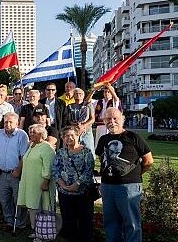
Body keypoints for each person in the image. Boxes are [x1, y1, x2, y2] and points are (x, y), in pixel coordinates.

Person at [95, 107, 153, 242]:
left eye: (115, 118)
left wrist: (135, 174)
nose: (112, 121)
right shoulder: (103, 139)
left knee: (132, 223)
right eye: (108, 119)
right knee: (111, 223)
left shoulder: (133, 137)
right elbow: (101, 159)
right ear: (104, 121)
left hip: (128, 187)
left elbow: (148, 161)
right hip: (108, 187)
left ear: (122, 119)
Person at [52, 126, 95, 242]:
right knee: (68, 219)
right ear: (62, 138)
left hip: (82, 193)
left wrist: (77, 184)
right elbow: (55, 170)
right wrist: (61, 184)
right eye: (66, 136)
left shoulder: (86, 152)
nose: (69, 138)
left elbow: (89, 170)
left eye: (72, 135)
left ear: (78, 136)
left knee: (84, 220)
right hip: (64, 192)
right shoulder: (60, 152)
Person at [0, 112, 29, 230]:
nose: (7, 124)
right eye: (6, 121)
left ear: (17, 123)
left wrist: (18, 170)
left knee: (18, 199)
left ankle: (20, 222)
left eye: (10, 122)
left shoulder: (22, 135)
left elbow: (24, 156)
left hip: (15, 173)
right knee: (4, 199)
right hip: (2, 173)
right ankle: (9, 221)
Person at [16, 124, 56, 233]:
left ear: (41, 134)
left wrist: (46, 181)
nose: (31, 134)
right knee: (33, 208)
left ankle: (44, 232)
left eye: (34, 132)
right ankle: (35, 230)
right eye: (30, 132)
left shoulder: (47, 147)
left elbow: (48, 166)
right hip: (29, 182)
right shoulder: (31, 145)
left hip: (41, 183)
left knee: (42, 208)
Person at [65, 88, 95, 156]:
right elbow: (68, 120)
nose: (78, 95)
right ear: (73, 95)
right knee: (75, 151)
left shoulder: (88, 105)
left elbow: (92, 119)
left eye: (80, 94)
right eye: (76, 94)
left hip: (86, 132)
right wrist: (76, 125)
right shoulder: (69, 106)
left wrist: (83, 125)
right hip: (75, 132)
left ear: (84, 95)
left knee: (89, 151)